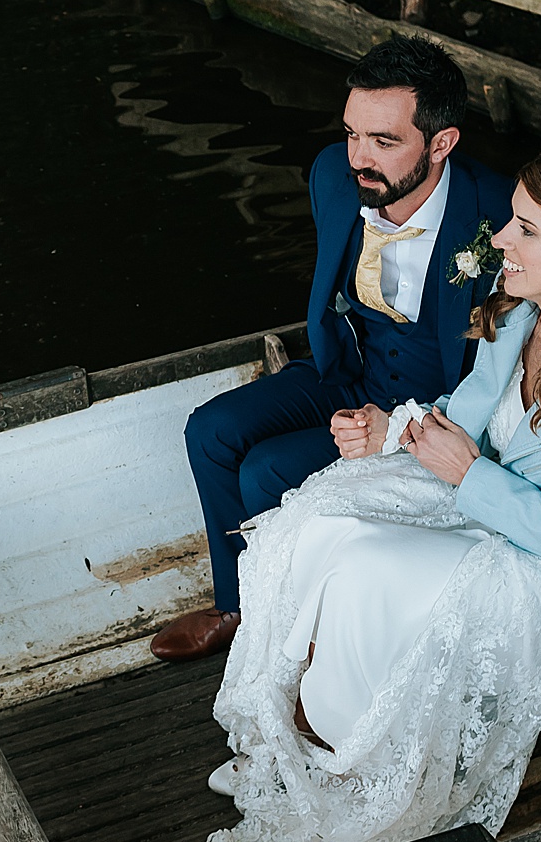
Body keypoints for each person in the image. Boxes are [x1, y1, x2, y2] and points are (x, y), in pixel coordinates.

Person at [202, 145, 541, 842]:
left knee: (375, 567)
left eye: (526, 230)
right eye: (511, 223)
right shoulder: (519, 315)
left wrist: (472, 479)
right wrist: (394, 432)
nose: (499, 239)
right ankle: (300, 736)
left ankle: (360, 767)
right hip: (482, 501)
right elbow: (462, 424)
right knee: (319, 517)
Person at [150, 37, 514, 662]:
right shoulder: (333, 176)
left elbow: (510, 367)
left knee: (266, 470)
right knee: (211, 431)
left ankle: (297, 635)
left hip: (441, 411)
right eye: (351, 134)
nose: (358, 159)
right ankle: (239, 606)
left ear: (441, 143)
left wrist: (402, 425)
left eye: (383, 141)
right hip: (351, 370)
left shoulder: (500, 211)